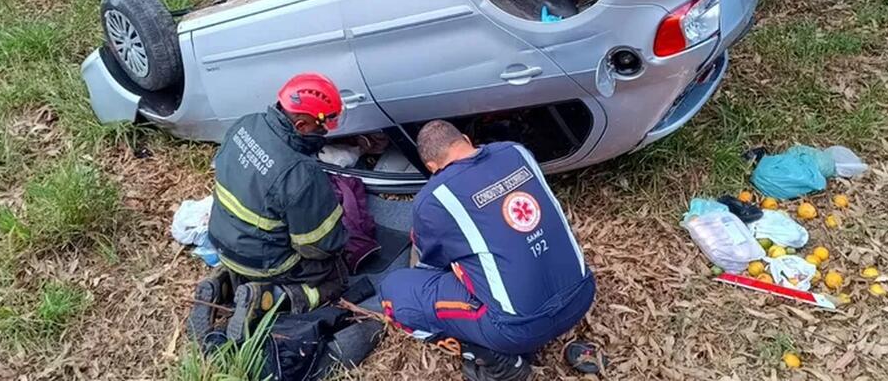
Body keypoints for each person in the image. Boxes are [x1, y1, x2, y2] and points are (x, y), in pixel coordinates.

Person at [378, 120, 596, 381]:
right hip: (582, 295)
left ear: (431, 167)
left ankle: (496, 360)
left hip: (518, 329)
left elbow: (433, 264)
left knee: (394, 291)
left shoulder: (434, 198)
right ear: (467, 141)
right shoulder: (516, 152)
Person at [192, 73, 349, 344]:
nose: (325, 133)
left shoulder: (245, 125)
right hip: (263, 262)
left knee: (250, 251)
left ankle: (218, 285)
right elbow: (317, 245)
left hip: (220, 240)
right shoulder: (301, 173)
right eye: (321, 126)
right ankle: (270, 298)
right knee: (335, 277)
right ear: (301, 124)